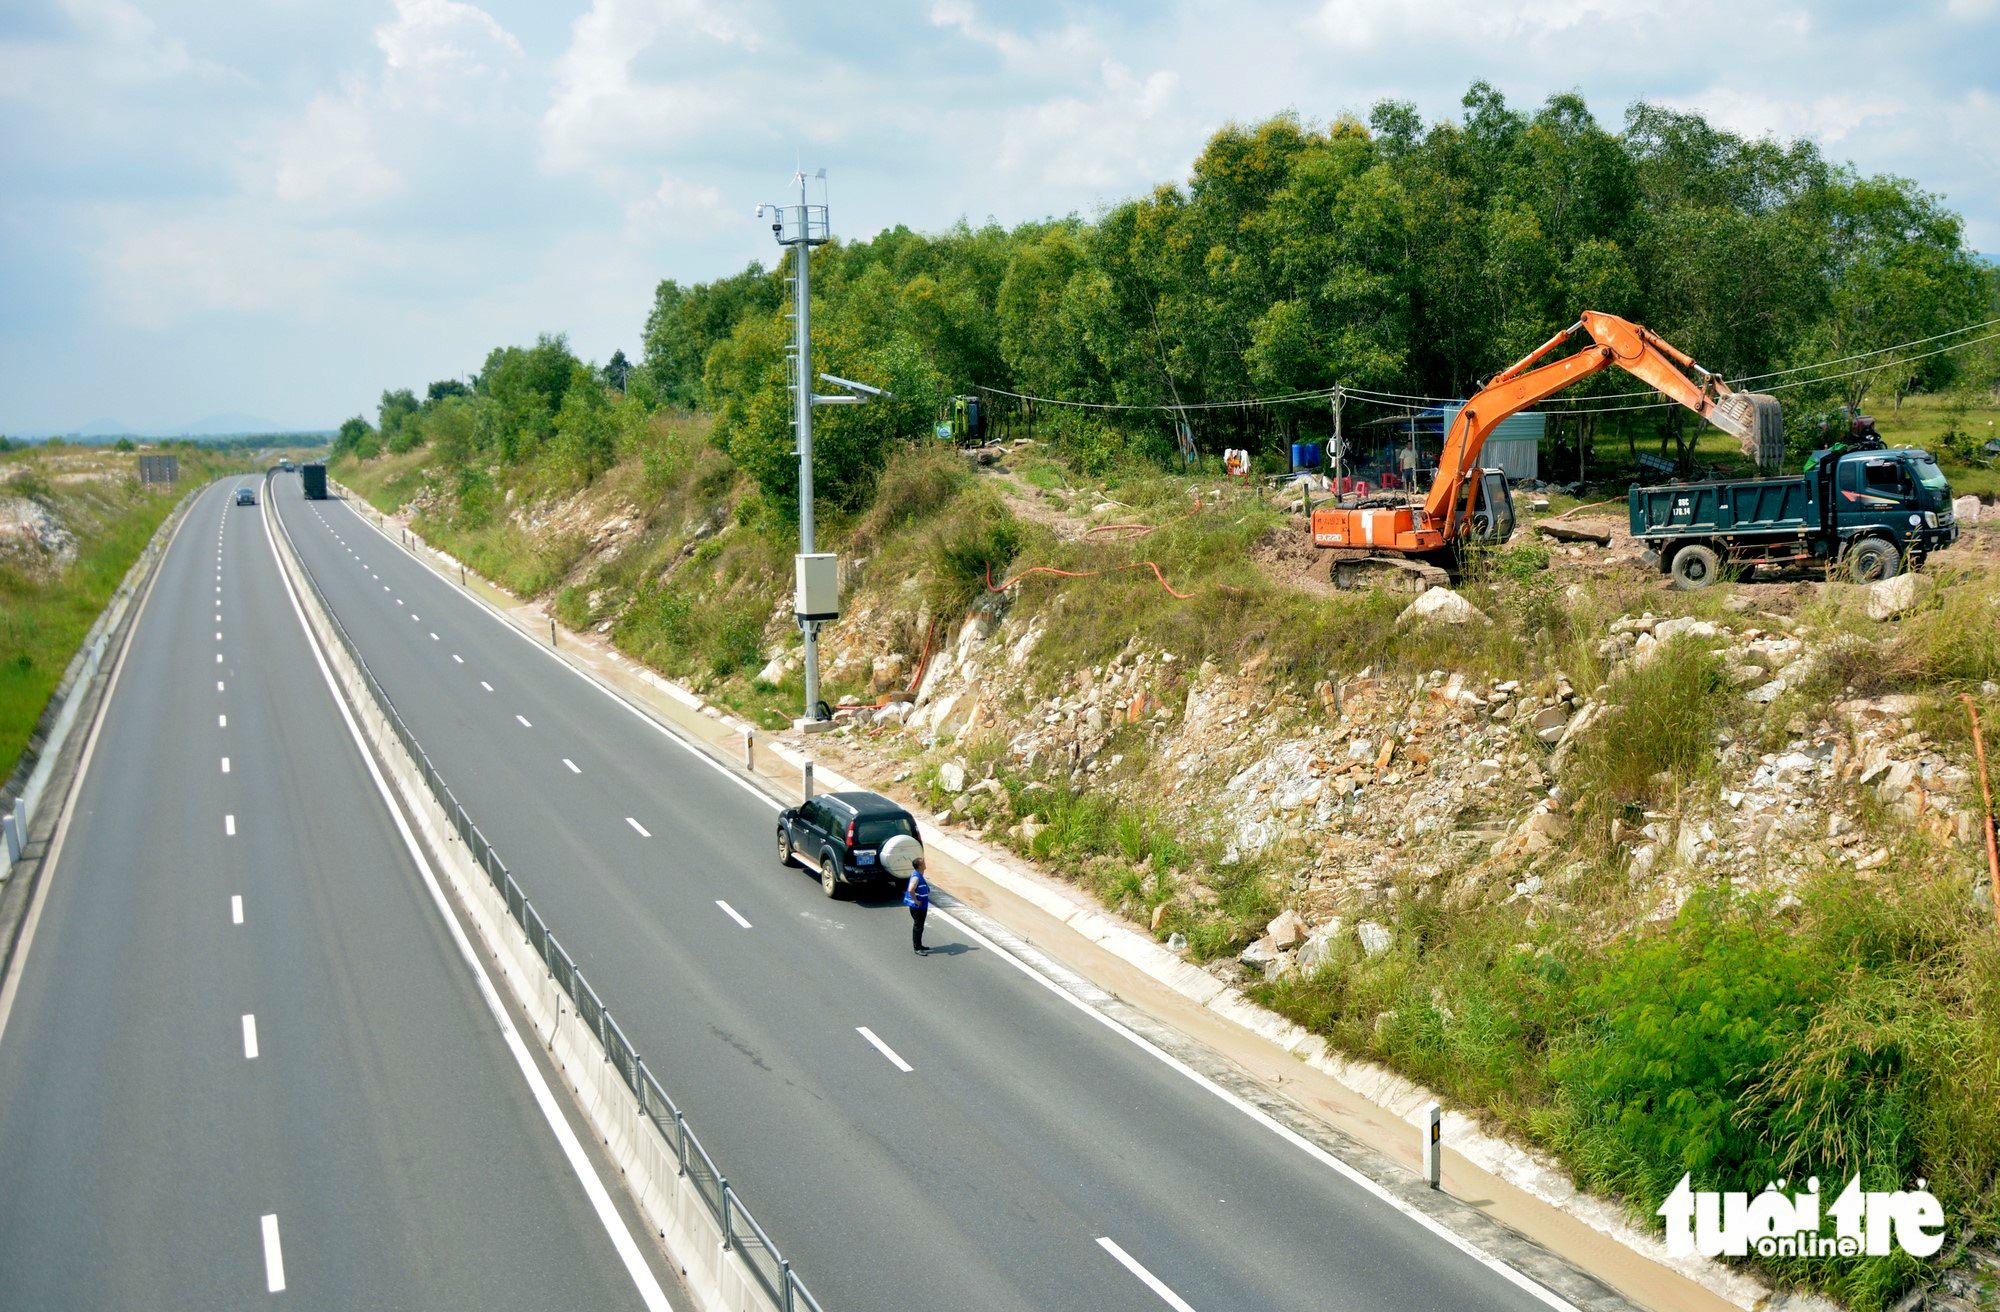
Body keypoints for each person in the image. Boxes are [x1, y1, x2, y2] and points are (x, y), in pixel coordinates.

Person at [904, 856, 931, 955]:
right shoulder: (916, 877)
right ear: (920, 866)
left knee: (920, 926)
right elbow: (911, 889)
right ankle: (917, 948)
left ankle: (919, 945)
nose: (925, 863)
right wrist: (916, 900)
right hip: (918, 907)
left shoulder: (919, 874)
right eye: (923, 863)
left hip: (921, 906)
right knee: (918, 927)